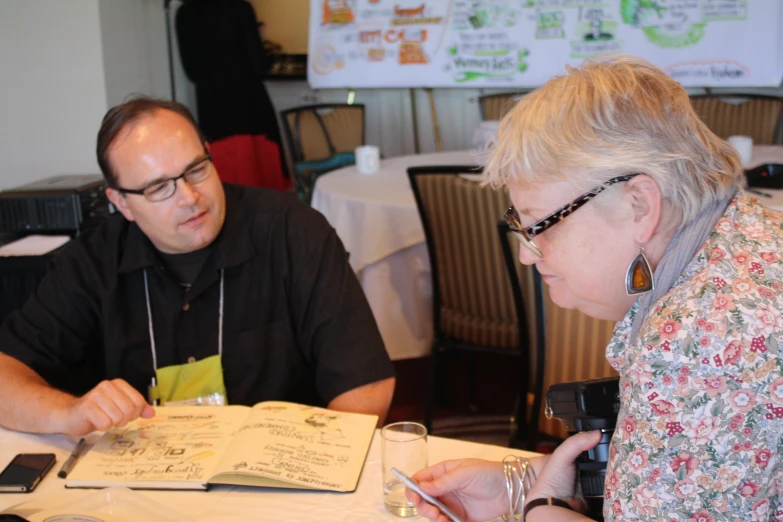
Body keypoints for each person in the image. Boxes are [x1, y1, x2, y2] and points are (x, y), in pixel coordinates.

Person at [406, 55, 783, 521]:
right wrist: (523, 485)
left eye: (539, 225)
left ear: (639, 205)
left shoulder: (700, 336)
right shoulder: (744, 234)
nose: (527, 253)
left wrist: (539, 511)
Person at [0, 98, 395, 437]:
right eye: (158, 188)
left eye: (196, 170)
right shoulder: (91, 262)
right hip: (141, 483)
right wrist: (68, 413)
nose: (189, 197)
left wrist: (315, 464)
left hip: (279, 480)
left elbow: (366, 385)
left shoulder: (293, 232)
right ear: (120, 202)